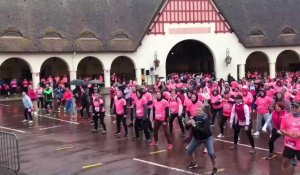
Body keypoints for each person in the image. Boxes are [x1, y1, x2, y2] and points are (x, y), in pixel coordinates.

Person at [185, 106, 218, 175]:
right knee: (189, 150)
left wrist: (194, 125)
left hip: (207, 138)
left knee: (211, 153)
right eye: (197, 111)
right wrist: (188, 124)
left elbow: (204, 131)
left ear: (204, 112)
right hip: (197, 138)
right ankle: (193, 163)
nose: (197, 112)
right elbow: (187, 128)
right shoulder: (194, 117)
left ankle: (214, 167)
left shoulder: (206, 119)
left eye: (199, 111)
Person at [280, 101, 300, 172]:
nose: (294, 108)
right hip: (290, 144)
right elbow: (282, 129)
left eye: (296, 107)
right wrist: (288, 133)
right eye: (293, 107)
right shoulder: (286, 117)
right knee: (285, 162)